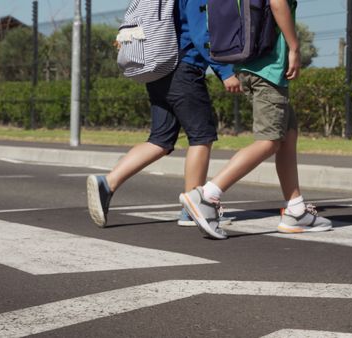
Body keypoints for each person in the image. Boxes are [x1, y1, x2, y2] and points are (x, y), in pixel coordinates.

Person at [180, 0, 333, 239]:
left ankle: (296, 210)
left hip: (250, 63)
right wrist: (294, 47)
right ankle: (207, 195)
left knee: (288, 135)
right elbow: (277, 2)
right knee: (269, 141)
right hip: (268, 68)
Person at [87, 0, 241, 227]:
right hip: (184, 69)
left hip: (159, 69)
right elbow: (201, 34)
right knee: (201, 136)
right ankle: (193, 209)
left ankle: (107, 183)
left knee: (160, 140)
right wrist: (225, 72)